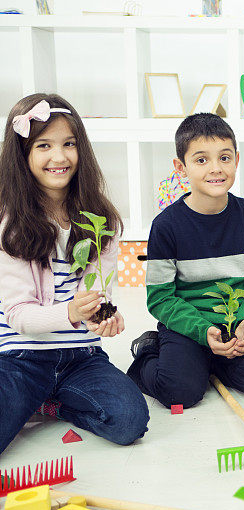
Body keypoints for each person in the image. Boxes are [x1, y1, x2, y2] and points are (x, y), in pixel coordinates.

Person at [0, 94, 149, 453]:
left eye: (69, 144)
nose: (59, 157)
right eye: (43, 146)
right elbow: (19, 316)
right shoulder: (9, 222)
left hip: (80, 355)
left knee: (129, 421)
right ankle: (30, 396)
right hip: (21, 357)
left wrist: (102, 317)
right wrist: (70, 312)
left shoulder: (102, 221)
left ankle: (49, 402)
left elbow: (97, 296)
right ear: (23, 155)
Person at [126, 113, 244, 408]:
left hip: (237, 322)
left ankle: (210, 361)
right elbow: (160, 298)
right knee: (179, 392)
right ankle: (150, 351)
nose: (215, 169)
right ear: (181, 167)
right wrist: (201, 331)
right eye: (201, 160)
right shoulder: (166, 226)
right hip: (187, 324)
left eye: (224, 158)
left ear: (236, 160)